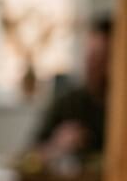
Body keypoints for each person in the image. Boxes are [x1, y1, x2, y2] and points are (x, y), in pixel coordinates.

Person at [33, 14, 113, 165]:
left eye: (102, 58)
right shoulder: (68, 104)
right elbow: (31, 156)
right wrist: (57, 145)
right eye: (90, 56)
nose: (91, 65)